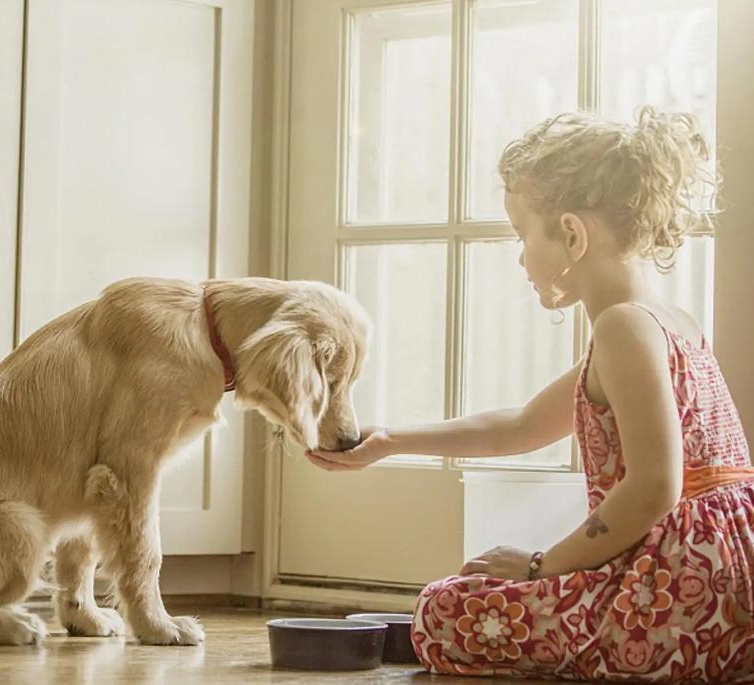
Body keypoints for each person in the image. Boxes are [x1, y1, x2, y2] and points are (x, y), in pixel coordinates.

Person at [308, 107, 753, 682]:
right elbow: (520, 425)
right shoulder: (667, 322)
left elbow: (654, 488)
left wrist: (541, 568)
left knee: (444, 611)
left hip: (685, 593)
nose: (520, 257)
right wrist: (390, 440)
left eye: (522, 234)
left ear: (571, 234)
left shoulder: (622, 327)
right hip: (726, 582)